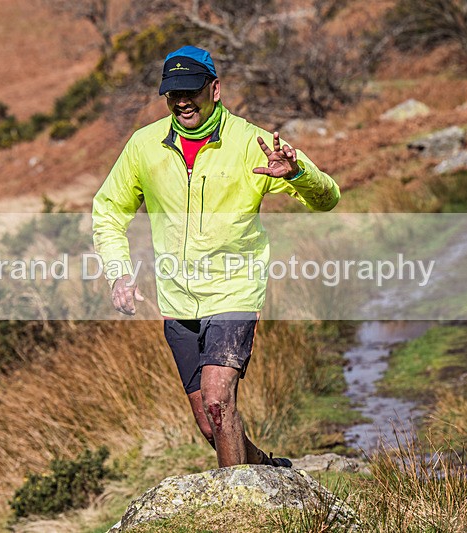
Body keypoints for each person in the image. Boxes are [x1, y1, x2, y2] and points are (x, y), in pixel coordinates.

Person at [92, 45, 340, 468]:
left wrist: (297, 173)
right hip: (176, 300)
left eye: (192, 90)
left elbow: (328, 198)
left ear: (216, 88)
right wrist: (118, 272)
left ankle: (235, 511)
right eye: (173, 94)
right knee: (210, 423)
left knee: (219, 400)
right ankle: (267, 472)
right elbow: (108, 211)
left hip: (233, 291)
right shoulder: (144, 146)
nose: (183, 101)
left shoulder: (251, 143)